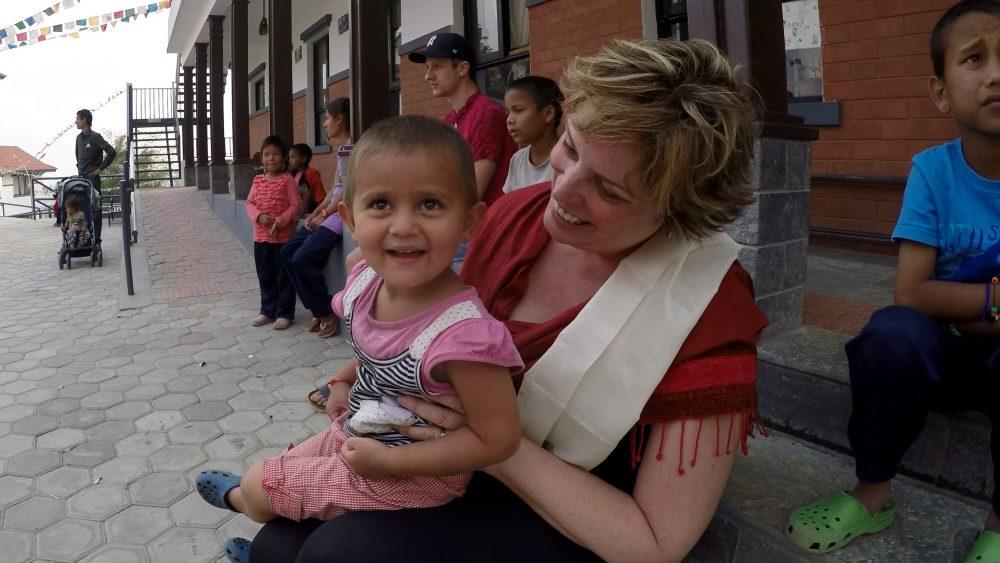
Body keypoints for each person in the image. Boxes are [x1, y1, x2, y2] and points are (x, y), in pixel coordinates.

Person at [234, 38, 769, 563]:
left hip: (563, 500)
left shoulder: (705, 306)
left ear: (680, 212)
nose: (562, 191)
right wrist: (357, 371)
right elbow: (438, 330)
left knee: (340, 552)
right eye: (572, 149)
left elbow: (654, 541)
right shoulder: (519, 213)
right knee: (276, 542)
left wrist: (489, 446)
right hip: (450, 461)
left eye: (609, 190)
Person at [197, 115, 525, 562]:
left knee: (259, 485)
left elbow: (499, 439)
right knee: (286, 475)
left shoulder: (465, 337)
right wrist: (343, 379)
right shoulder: (366, 282)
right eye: (381, 205)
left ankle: (238, 498)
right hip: (363, 430)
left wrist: (390, 464)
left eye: (430, 204)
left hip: (416, 475)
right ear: (350, 218)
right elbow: (379, 355)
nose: (404, 225)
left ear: (469, 223)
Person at [786, 2, 1000, 560]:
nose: (997, 74)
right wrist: (994, 302)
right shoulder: (933, 171)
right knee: (891, 332)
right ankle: (873, 494)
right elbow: (913, 293)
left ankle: (999, 530)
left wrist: (961, 304)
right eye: (975, 59)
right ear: (940, 92)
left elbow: (935, 292)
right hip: (942, 359)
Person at [408, 32, 516, 207]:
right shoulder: (450, 120)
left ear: (462, 69)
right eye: (427, 67)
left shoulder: (487, 114)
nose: (428, 76)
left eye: (436, 66)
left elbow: (471, 193)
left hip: (488, 227)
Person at [282, 98, 353, 347]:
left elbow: (347, 192)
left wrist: (324, 215)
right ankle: (315, 308)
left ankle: (325, 310)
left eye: (327, 118)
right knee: (287, 252)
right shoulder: (342, 148)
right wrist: (315, 213)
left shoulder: (355, 148)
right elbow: (335, 188)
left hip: (337, 220)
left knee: (303, 258)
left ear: (340, 119)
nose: (324, 124)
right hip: (327, 215)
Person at [246, 135, 300, 331]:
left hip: (283, 238)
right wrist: (259, 216)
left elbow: (295, 204)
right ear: (262, 158)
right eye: (267, 154)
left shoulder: (287, 180)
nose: (271, 158)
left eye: (276, 154)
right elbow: (250, 203)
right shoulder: (257, 180)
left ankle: (285, 313)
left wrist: (280, 221)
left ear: (284, 158)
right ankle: (267, 310)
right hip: (260, 238)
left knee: (283, 276)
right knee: (265, 275)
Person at [503, 76, 563, 194]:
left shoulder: (568, 157)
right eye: (508, 113)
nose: (509, 120)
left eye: (518, 110)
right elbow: (511, 205)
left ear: (548, 113)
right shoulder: (517, 160)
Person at [74, 109, 116, 191]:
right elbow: (77, 155)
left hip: (93, 181)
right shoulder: (78, 138)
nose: (76, 122)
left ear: (84, 119)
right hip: (81, 180)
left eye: (77, 119)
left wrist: (99, 169)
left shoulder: (95, 136)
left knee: (94, 203)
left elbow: (112, 152)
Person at [289, 143, 326, 217]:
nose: (290, 160)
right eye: (289, 157)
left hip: (309, 213)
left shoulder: (311, 173)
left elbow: (320, 196)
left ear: (303, 159)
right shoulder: (293, 174)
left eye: (293, 157)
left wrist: (321, 214)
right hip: (296, 213)